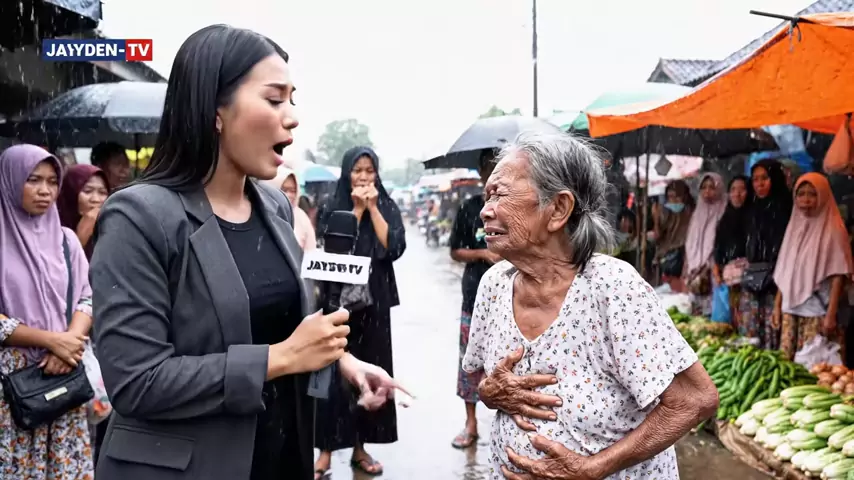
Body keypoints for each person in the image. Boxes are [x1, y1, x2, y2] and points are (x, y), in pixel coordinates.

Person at [89, 25, 403, 480]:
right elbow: (138, 381)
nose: (292, 117)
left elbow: (279, 326)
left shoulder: (275, 206)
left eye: (292, 100)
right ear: (215, 111)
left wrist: (343, 362)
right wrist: (282, 358)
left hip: (281, 456)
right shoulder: (138, 217)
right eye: (274, 100)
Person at [462, 132, 718, 480]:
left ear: (558, 209)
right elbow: (483, 379)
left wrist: (592, 468)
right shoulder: (494, 284)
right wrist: (489, 394)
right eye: (487, 195)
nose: (485, 210)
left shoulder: (612, 288)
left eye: (500, 194)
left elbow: (694, 399)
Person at [0, 144, 95, 479]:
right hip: (10, 385)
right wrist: (52, 341)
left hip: (61, 379)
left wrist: (70, 342)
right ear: (9, 180)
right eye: (33, 180)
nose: (45, 190)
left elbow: (86, 298)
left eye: (53, 181)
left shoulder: (66, 240)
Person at [314, 146, 406, 478]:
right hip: (338, 303)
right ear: (347, 173)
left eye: (369, 170)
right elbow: (332, 248)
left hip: (375, 304)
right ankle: (324, 452)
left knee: (370, 376)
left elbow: (394, 247)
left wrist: (373, 209)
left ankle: (360, 448)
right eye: (358, 170)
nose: (364, 177)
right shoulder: (332, 204)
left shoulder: (387, 205)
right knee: (330, 374)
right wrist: (355, 210)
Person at [448, 149, 501, 449]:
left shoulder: (516, 206)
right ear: (481, 173)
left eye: (499, 168)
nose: (494, 174)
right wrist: (482, 253)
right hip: (475, 295)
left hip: (513, 296)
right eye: (489, 169)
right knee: (469, 361)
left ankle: (513, 424)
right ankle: (471, 423)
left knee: (512, 362)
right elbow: (455, 251)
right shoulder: (469, 208)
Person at [774, 173, 853, 359]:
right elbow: (785, 272)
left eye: (812, 194)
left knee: (811, 365)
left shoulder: (834, 229)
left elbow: (838, 275)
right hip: (790, 309)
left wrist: (831, 314)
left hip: (817, 311)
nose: (806, 200)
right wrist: (777, 306)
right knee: (786, 364)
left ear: (823, 195)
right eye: (801, 194)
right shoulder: (794, 226)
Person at [739, 159, 793, 349]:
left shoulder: (787, 208)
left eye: (764, 178)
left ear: (775, 179)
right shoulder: (751, 209)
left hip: (777, 280)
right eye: (755, 179)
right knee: (751, 335)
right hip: (752, 279)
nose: (759, 184)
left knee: (772, 331)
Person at [684, 173, 727, 315]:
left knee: (713, 313)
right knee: (695, 315)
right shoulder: (698, 212)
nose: (707, 191)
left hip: (714, 270)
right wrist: (688, 267)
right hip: (694, 270)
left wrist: (712, 264)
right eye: (703, 187)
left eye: (711, 187)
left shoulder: (724, 211)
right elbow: (690, 242)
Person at [712, 175, 753, 325]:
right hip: (727, 278)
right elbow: (718, 247)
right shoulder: (725, 219)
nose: (737, 194)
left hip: (749, 280)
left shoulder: (754, 217)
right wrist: (717, 271)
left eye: (742, 189)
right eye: (733, 190)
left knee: (744, 321)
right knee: (727, 321)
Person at [57, 164, 110, 260]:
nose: (96, 199)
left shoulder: (110, 227)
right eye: (87, 191)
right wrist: (81, 236)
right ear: (71, 193)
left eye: (102, 192)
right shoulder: (53, 229)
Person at [653, 180, 695, 292]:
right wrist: (656, 218)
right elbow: (658, 236)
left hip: (684, 258)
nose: (673, 200)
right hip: (667, 258)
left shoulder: (692, 214)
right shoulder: (666, 213)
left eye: (677, 197)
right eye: (670, 197)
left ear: (684, 197)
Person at [261, 166, 316, 250]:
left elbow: (310, 250)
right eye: (284, 190)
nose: (289, 195)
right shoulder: (260, 214)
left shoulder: (301, 217)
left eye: (293, 191)